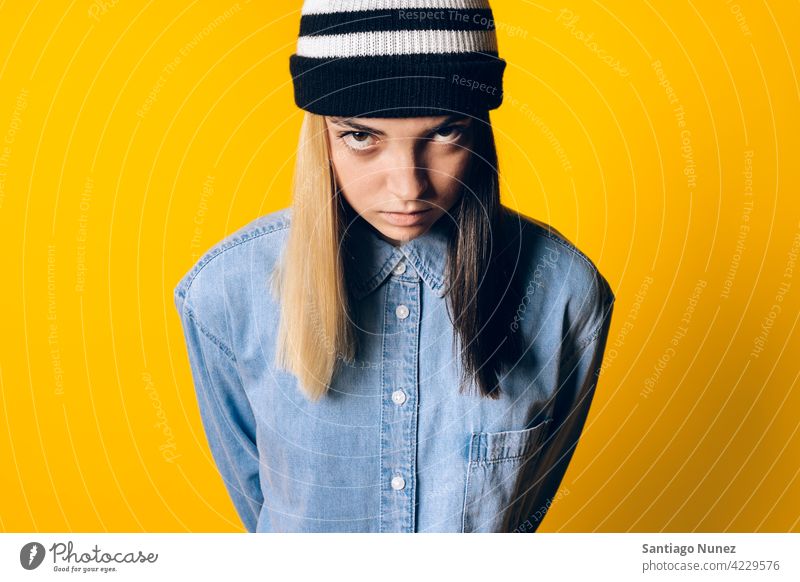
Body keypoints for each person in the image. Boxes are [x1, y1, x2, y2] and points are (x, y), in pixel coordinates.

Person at [173, 0, 615, 533]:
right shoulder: (226, 291)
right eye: (361, 136)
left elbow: (523, 514)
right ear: (321, 134)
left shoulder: (564, 292)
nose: (408, 188)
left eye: (446, 133)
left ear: (480, 132)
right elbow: (261, 507)